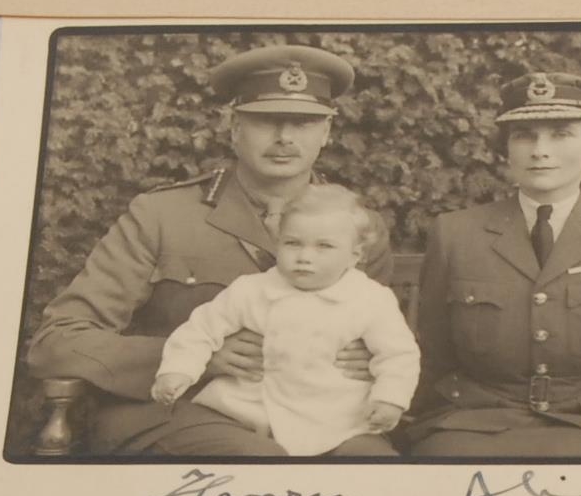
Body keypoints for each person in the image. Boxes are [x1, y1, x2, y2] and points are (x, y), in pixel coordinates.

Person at [25, 43, 394, 457]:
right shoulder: (162, 215)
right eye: (265, 121)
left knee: (374, 466)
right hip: (176, 409)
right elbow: (57, 342)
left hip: (320, 418)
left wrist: (369, 359)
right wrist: (196, 355)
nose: (285, 138)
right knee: (259, 466)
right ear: (235, 128)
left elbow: (380, 337)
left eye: (305, 122)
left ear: (326, 133)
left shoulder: (358, 227)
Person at [402, 72, 581, 459]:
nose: (540, 150)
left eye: (561, 134)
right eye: (525, 135)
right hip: (472, 424)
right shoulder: (455, 233)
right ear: (506, 150)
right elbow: (433, 354)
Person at [152, 183, 420, 457]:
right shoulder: (251, 291)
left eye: (324, 246)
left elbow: (398, 355)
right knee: (242, 453)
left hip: (338, 418)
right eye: (292, 243)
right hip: (247, 411)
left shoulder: (370, 300)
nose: (304, 257)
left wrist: (389, 399)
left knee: (370, 459)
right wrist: (178, 370)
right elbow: (200, 331)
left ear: (355, 256)